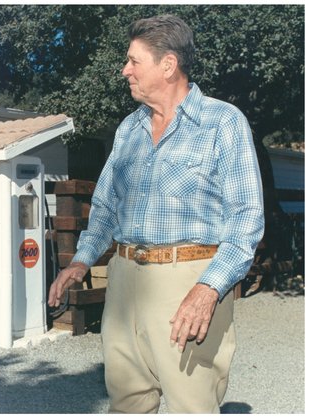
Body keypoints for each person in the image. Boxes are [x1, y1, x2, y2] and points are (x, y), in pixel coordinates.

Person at [48, 15, 264, 413]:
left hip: (189, 281)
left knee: (191, 405)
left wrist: (208, 288)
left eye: (133, 61)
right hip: (125, 279)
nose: (124, 69)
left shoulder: (223, 122)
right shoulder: (129, 129)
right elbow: (105, 206)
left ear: (168, 65)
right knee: (127, 403)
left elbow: (247, 218)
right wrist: (80, 261)